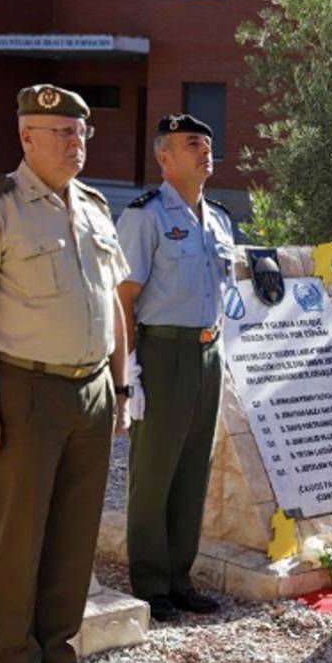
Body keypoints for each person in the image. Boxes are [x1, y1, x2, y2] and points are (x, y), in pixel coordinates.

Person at [0, 84, 130, 663]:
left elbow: (111, 303)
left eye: (80, 133)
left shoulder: (96, 207)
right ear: (26, 136)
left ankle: (60, 652)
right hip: (26, 388)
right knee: (21, 535)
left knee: (75, 533)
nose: (73, 143)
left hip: (93, 391)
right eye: (59, 133)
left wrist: (121, 385)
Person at [116, 113, 237, 623]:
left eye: (207, 142)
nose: (205, 150)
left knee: (193, 468)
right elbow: (124, 296)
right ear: (164, 157)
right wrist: (129, 369)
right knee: (155, 469)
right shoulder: (144, 216)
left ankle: (180, 576)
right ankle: (150, 581)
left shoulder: (220, 219)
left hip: (208, 352)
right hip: (162, 352)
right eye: (192, 143)